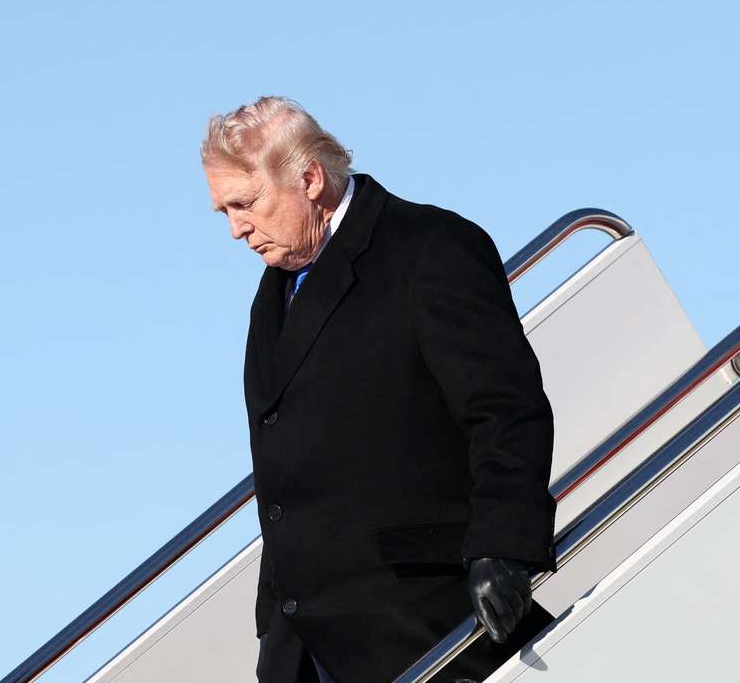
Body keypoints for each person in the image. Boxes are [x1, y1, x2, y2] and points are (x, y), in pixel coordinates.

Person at [201, 96, 557, 683]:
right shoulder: (273, 296)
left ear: (309, 178)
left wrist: (503, 544)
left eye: (246, 203)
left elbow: (505, 408)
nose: (237, 228)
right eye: (225, 212)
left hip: (422, 624)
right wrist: (275, 624)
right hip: (306, 651)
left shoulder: (427, 248)